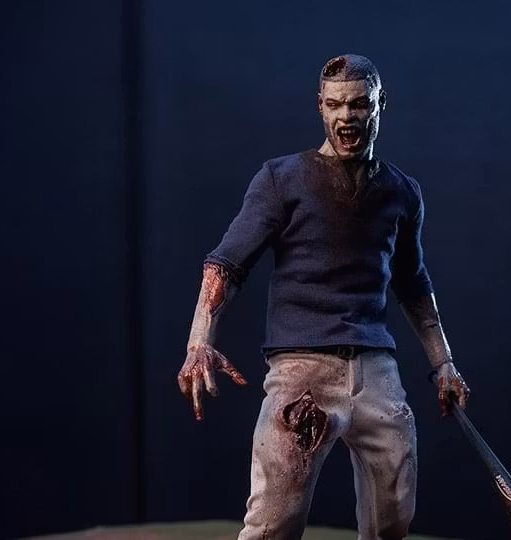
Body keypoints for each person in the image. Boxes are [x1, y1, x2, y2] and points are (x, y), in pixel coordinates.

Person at [177, 54, 470, 540]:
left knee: (394, 512)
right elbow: (226, 263)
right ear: (320, 106)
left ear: (380, 104)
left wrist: (444, 364)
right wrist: (198, 340)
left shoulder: (401, 191)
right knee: (273, 521)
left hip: (375, 368)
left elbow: (413, 282)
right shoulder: (282, 179)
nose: (346, 117)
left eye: (358, 104)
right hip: (301, 369)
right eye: (335, 105)